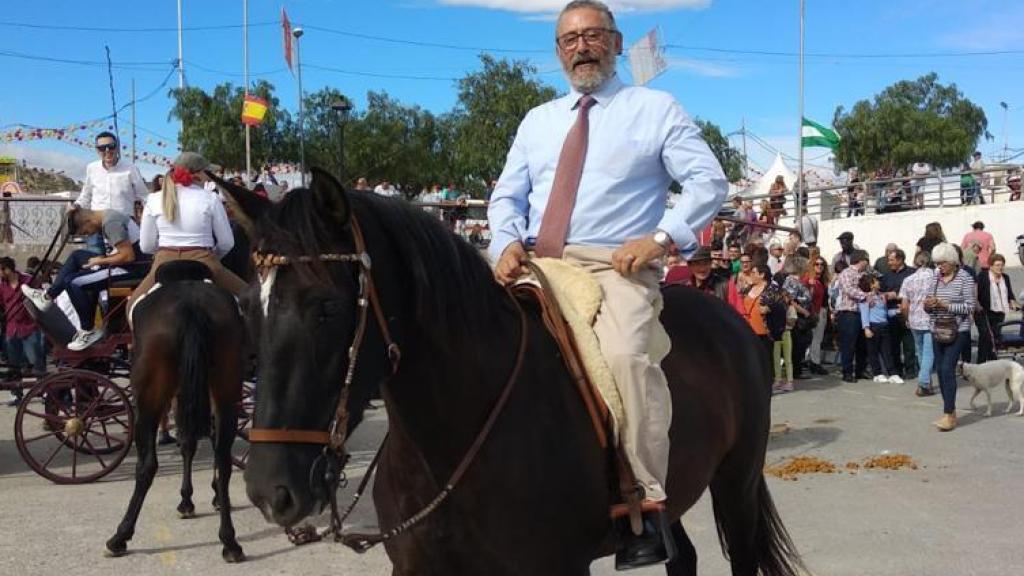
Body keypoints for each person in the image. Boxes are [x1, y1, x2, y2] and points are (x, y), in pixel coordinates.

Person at [487, 1, 728, 563]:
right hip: (538, 264)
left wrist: (661, 238)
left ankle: (644, 507)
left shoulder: (655, 108)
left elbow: (707, 181)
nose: (581, 47)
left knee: (623, 356)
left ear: (616, 43)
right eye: (569, 40)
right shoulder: (538, 121)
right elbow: (506, 197)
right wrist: (503, 244)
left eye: (593, 36)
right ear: (557, 52)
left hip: (615, 264)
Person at [129, 152, 248, 307]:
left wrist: (165, 253)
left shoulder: (153, 199)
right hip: (205, 260)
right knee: (252, 299)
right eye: (207, 172)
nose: (209, 177)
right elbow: (227, 243)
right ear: (198, 174)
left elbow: (146, 246)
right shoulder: (211, 198)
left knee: (131, 306)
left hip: (164, 262)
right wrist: (212, 257)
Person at [21, 208, 148, 350]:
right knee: (76, 256)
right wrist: (102, 259)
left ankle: (88, 330)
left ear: (89, 221)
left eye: (86, 232)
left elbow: (128, 256)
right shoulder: (107, 217)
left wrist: (100, 261)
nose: (89, 235)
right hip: (120, 263)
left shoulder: (112, 223)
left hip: (130, 269)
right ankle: (48, 296)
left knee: (74, 282)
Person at [925, 243, 976, 431]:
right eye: (937, 263)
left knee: (947, 369)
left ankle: (949, 413)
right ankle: (949, 413)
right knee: (940, 371)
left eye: (943, 263)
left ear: (953, 261)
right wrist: (928, 304)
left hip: (958, 330)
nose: (940, 267)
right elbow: (928, 302)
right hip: (937, 329)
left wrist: (946, 305)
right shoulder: (935, 278)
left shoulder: (965, 278)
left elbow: (970, 307)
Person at [75, 132, 148, 254]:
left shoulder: (131, 168)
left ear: (118, 146)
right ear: (97, 150)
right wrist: (76, 206)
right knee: (96, 265)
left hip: (122, 226)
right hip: (96, 225)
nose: (107, 150)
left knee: (123, 263)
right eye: (102, 148)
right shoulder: (92, 168)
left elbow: (144, 195)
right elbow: (86, 195)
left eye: (111, 146)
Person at [0, 257, 46, 406]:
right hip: (11, 329)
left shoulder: (29, 281)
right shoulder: (2, 286)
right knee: (14, 364)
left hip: (29, 327)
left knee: (36, 360)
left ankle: (44, 390)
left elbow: (41, 298)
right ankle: (16, 394)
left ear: (7, 269)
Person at [900, 251, 937, 396]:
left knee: (921, 352)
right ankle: (924, 382)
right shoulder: (935, 277)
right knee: (929, 353)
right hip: (930, 319)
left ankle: (926, 382)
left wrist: (907, 318)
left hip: (914, 319)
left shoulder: (908, 279)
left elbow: (904, 305)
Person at [834, 250, 872, 383]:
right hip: (849, 312)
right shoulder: (846, 273)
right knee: (848, 344)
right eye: (866, 260)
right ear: (861, 260)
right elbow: (849, 290)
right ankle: (847, 372)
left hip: (864, 313)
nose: (868, 263)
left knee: (862, 344)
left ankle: (860, 370)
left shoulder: (865, 274)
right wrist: (866, 296)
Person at [975, 253, 1019, 363]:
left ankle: (992, 363)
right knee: (985, 336)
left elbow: (1010, 294)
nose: (1000, 268)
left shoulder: (1005, 278)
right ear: (991, 266)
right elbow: (975, 293)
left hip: (999, 312)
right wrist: (977, 305)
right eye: (997, 265)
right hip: (983, 312)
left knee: (994, 338)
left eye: (1002, 265)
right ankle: (981, 362)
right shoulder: (983, 276)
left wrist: (1013, 303)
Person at [880, 249, 916, 379]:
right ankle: (897, 370)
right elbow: (882, 291)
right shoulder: (886, 275)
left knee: (909, 344)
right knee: (893, 344)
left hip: (907, 312)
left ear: (900, 260)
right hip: (891, 314)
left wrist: (897, 295)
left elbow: (914, 291)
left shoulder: (912, 273)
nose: (889, 263)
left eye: (891, 260)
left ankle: (911, 370)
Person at [859, 273, 900, 383]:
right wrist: (866, 328)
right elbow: (864, 313)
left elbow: (885, 312)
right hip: (873, 326)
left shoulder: (881, 296)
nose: (879, 283)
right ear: (871, 284)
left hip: (884, 325)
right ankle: (877, 373)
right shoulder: (866, 298)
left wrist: (896, 311)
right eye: (876, 281)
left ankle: (892, 373)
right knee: (873, 351)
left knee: (887, 351)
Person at [805, 256, 830, 375]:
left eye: (822, 264)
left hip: (822, 310)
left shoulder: (822, 280)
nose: (819, 266)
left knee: (816, 338)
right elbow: (809, 297)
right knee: (816, 339)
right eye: (816, 264)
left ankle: (810, 360)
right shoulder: (810, 280)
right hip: (815, 312)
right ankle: (815, 362)